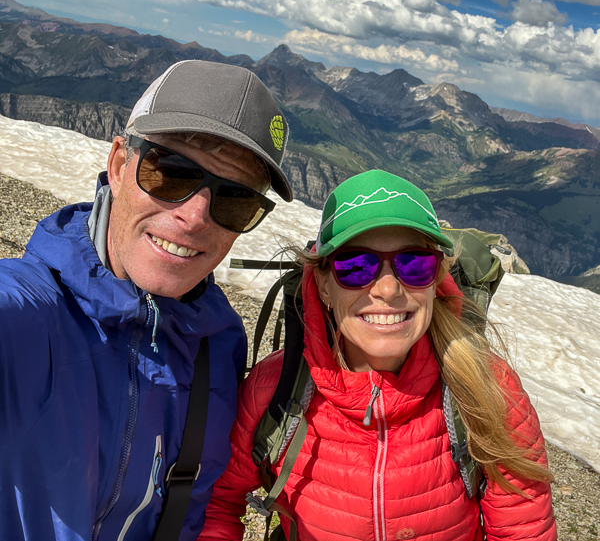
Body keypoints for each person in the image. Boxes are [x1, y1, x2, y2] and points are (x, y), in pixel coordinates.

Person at [0, 60, 292, 540]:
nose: (196, 216)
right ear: (118, 165)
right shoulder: (32, 315)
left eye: (235, 200)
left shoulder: (220, 345)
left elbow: (196, 508)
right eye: (171, 173)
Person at [198, 170, 557, 541]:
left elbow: (523, 530)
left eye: (414, 265)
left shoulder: (489, 390)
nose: (387, 289)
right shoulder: (275, 388)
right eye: (356, 267)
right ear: (322, 285)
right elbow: (217, 502)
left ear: (436, 282)